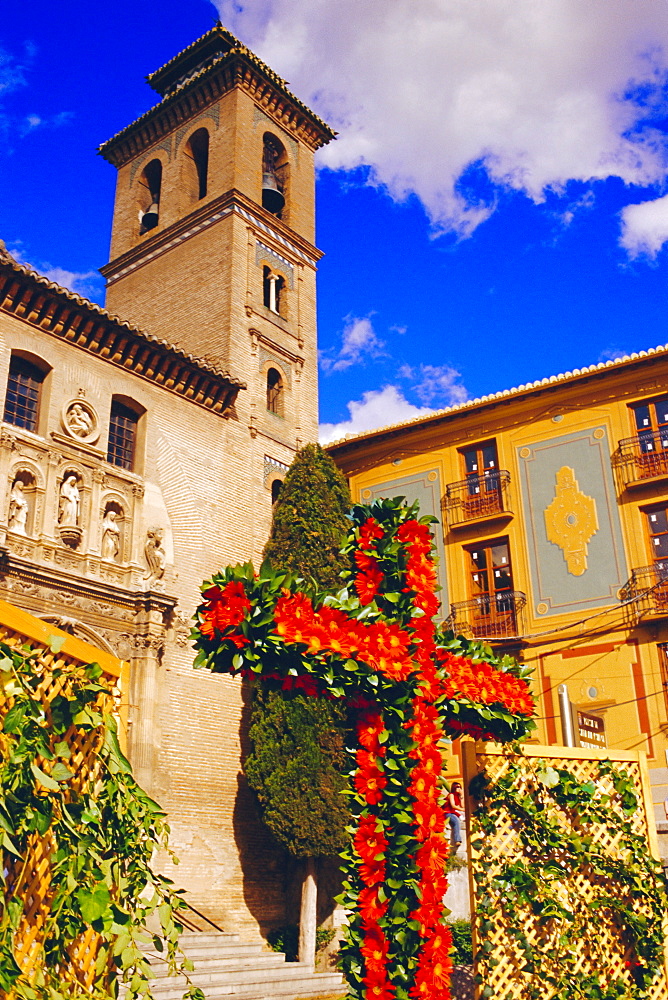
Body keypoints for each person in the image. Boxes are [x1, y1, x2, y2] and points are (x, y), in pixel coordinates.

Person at [445, 780, 465, 850]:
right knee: (456, 821)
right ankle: (457, 840)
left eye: (460, 787)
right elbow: (453, 806)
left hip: (453, 812)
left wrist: (462, 796)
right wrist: (462, 810)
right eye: (457, 787)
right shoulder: (451, 795)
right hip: (447, 812)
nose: (458, 788)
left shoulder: (458, 796)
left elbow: (462, 806)